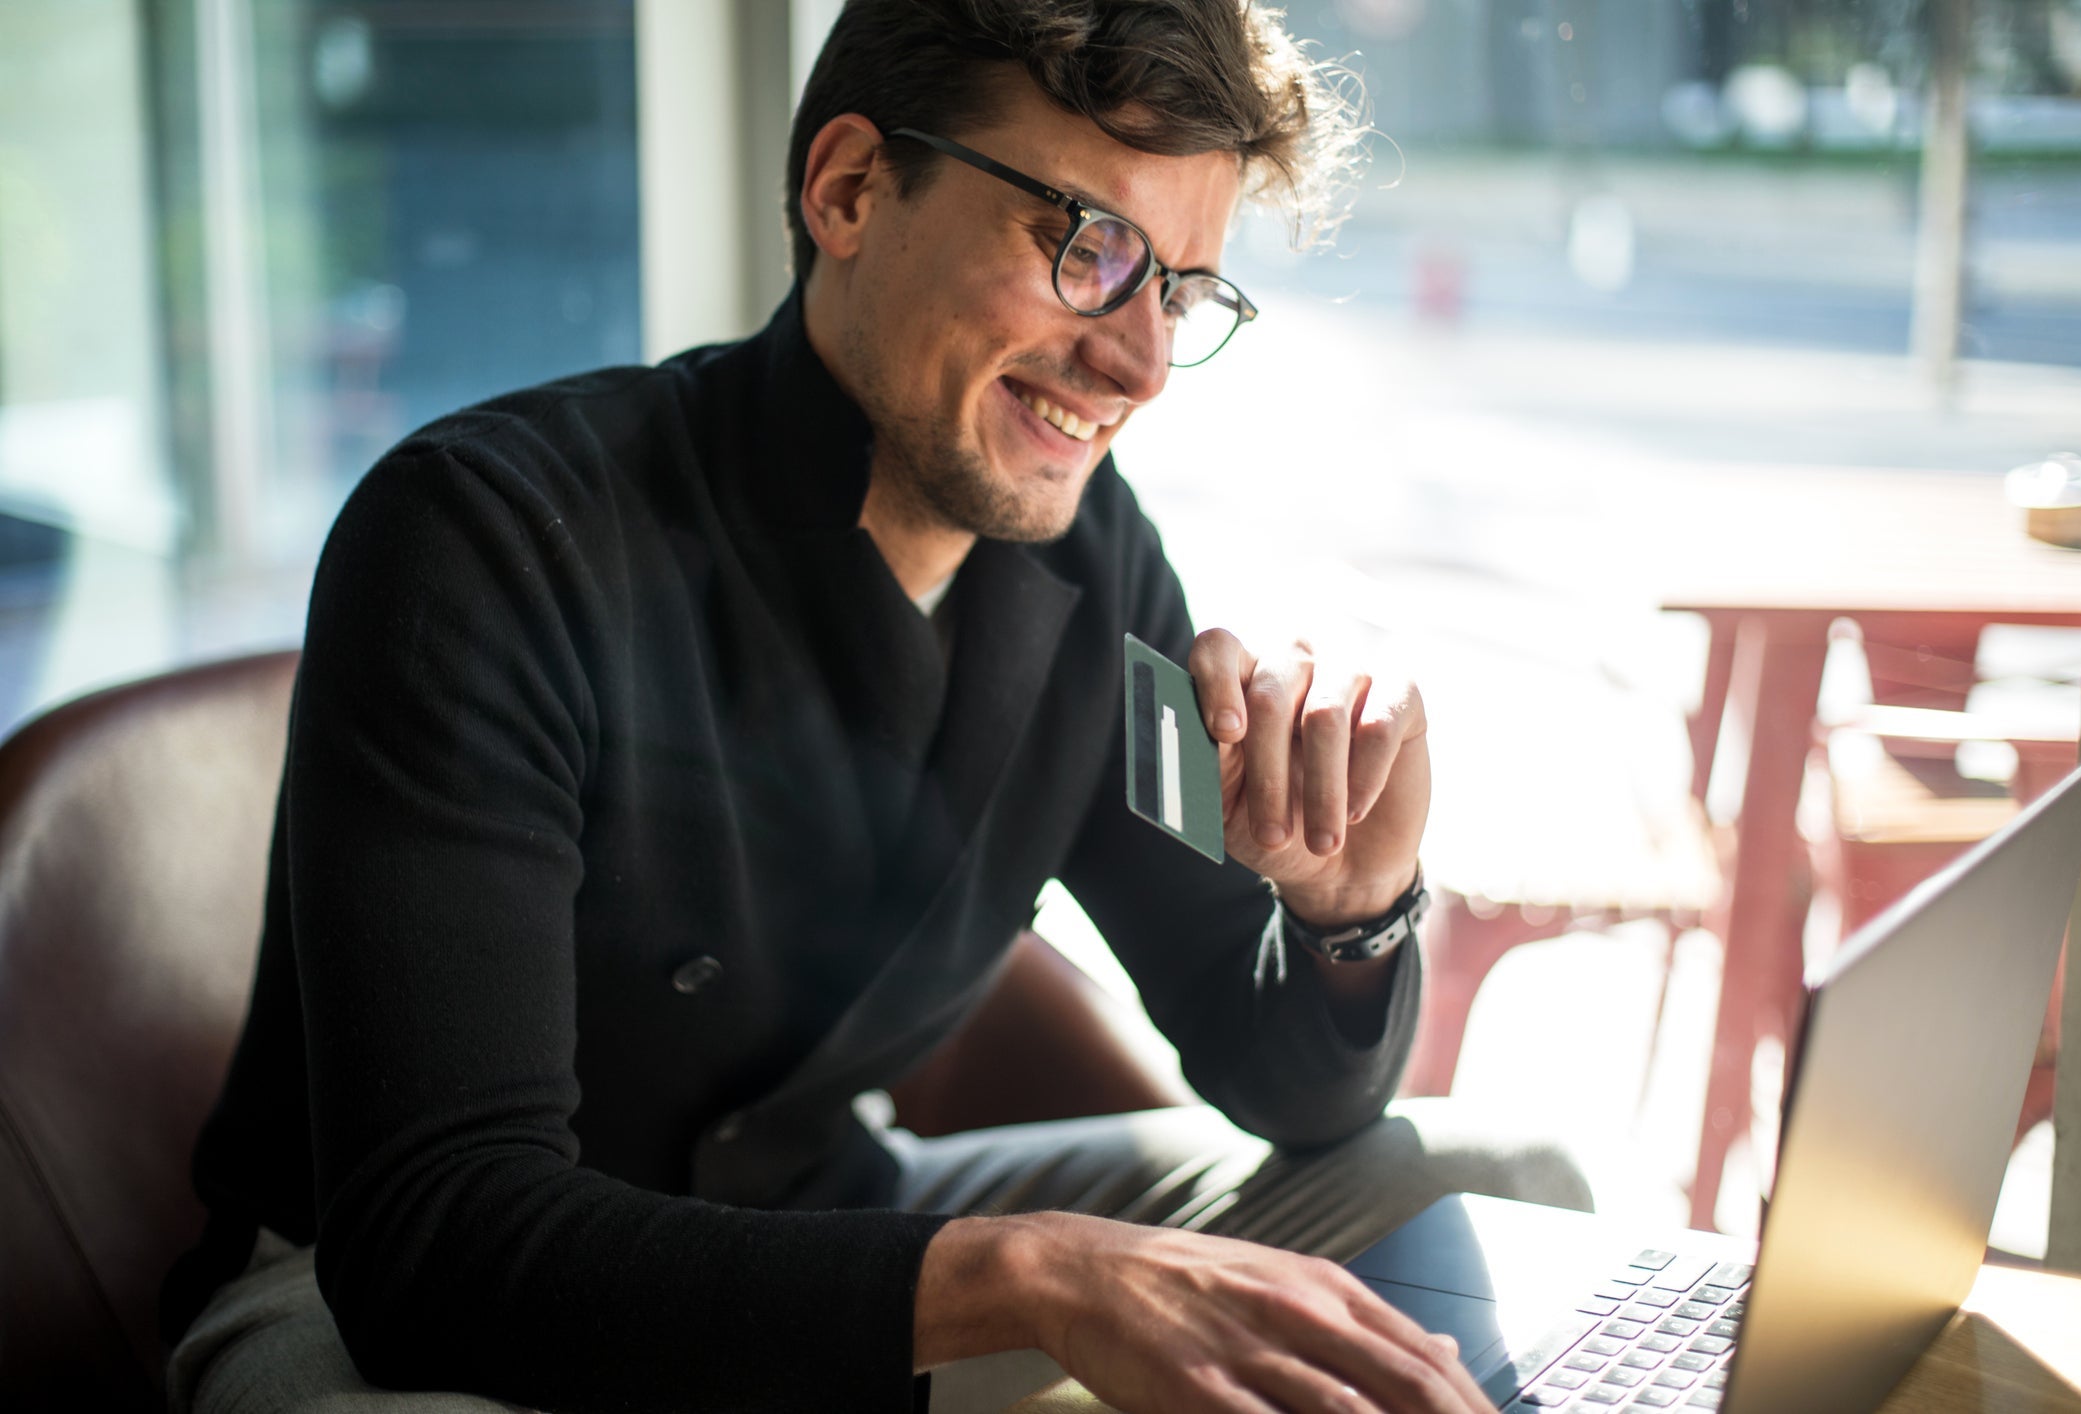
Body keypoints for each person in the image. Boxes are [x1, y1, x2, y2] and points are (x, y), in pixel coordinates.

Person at [163, 3, 1588, 1411]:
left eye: (1181, 290)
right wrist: (1022, 1276)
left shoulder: (1089, 564)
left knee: (1494, 1183)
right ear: (848, 189)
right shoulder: (486, 536)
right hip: (381, 1312)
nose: (1142, 364)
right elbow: (435, 1245)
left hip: (832, 1242)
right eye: (1086, 247)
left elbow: (1286, 1087)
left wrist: (1353, 908)